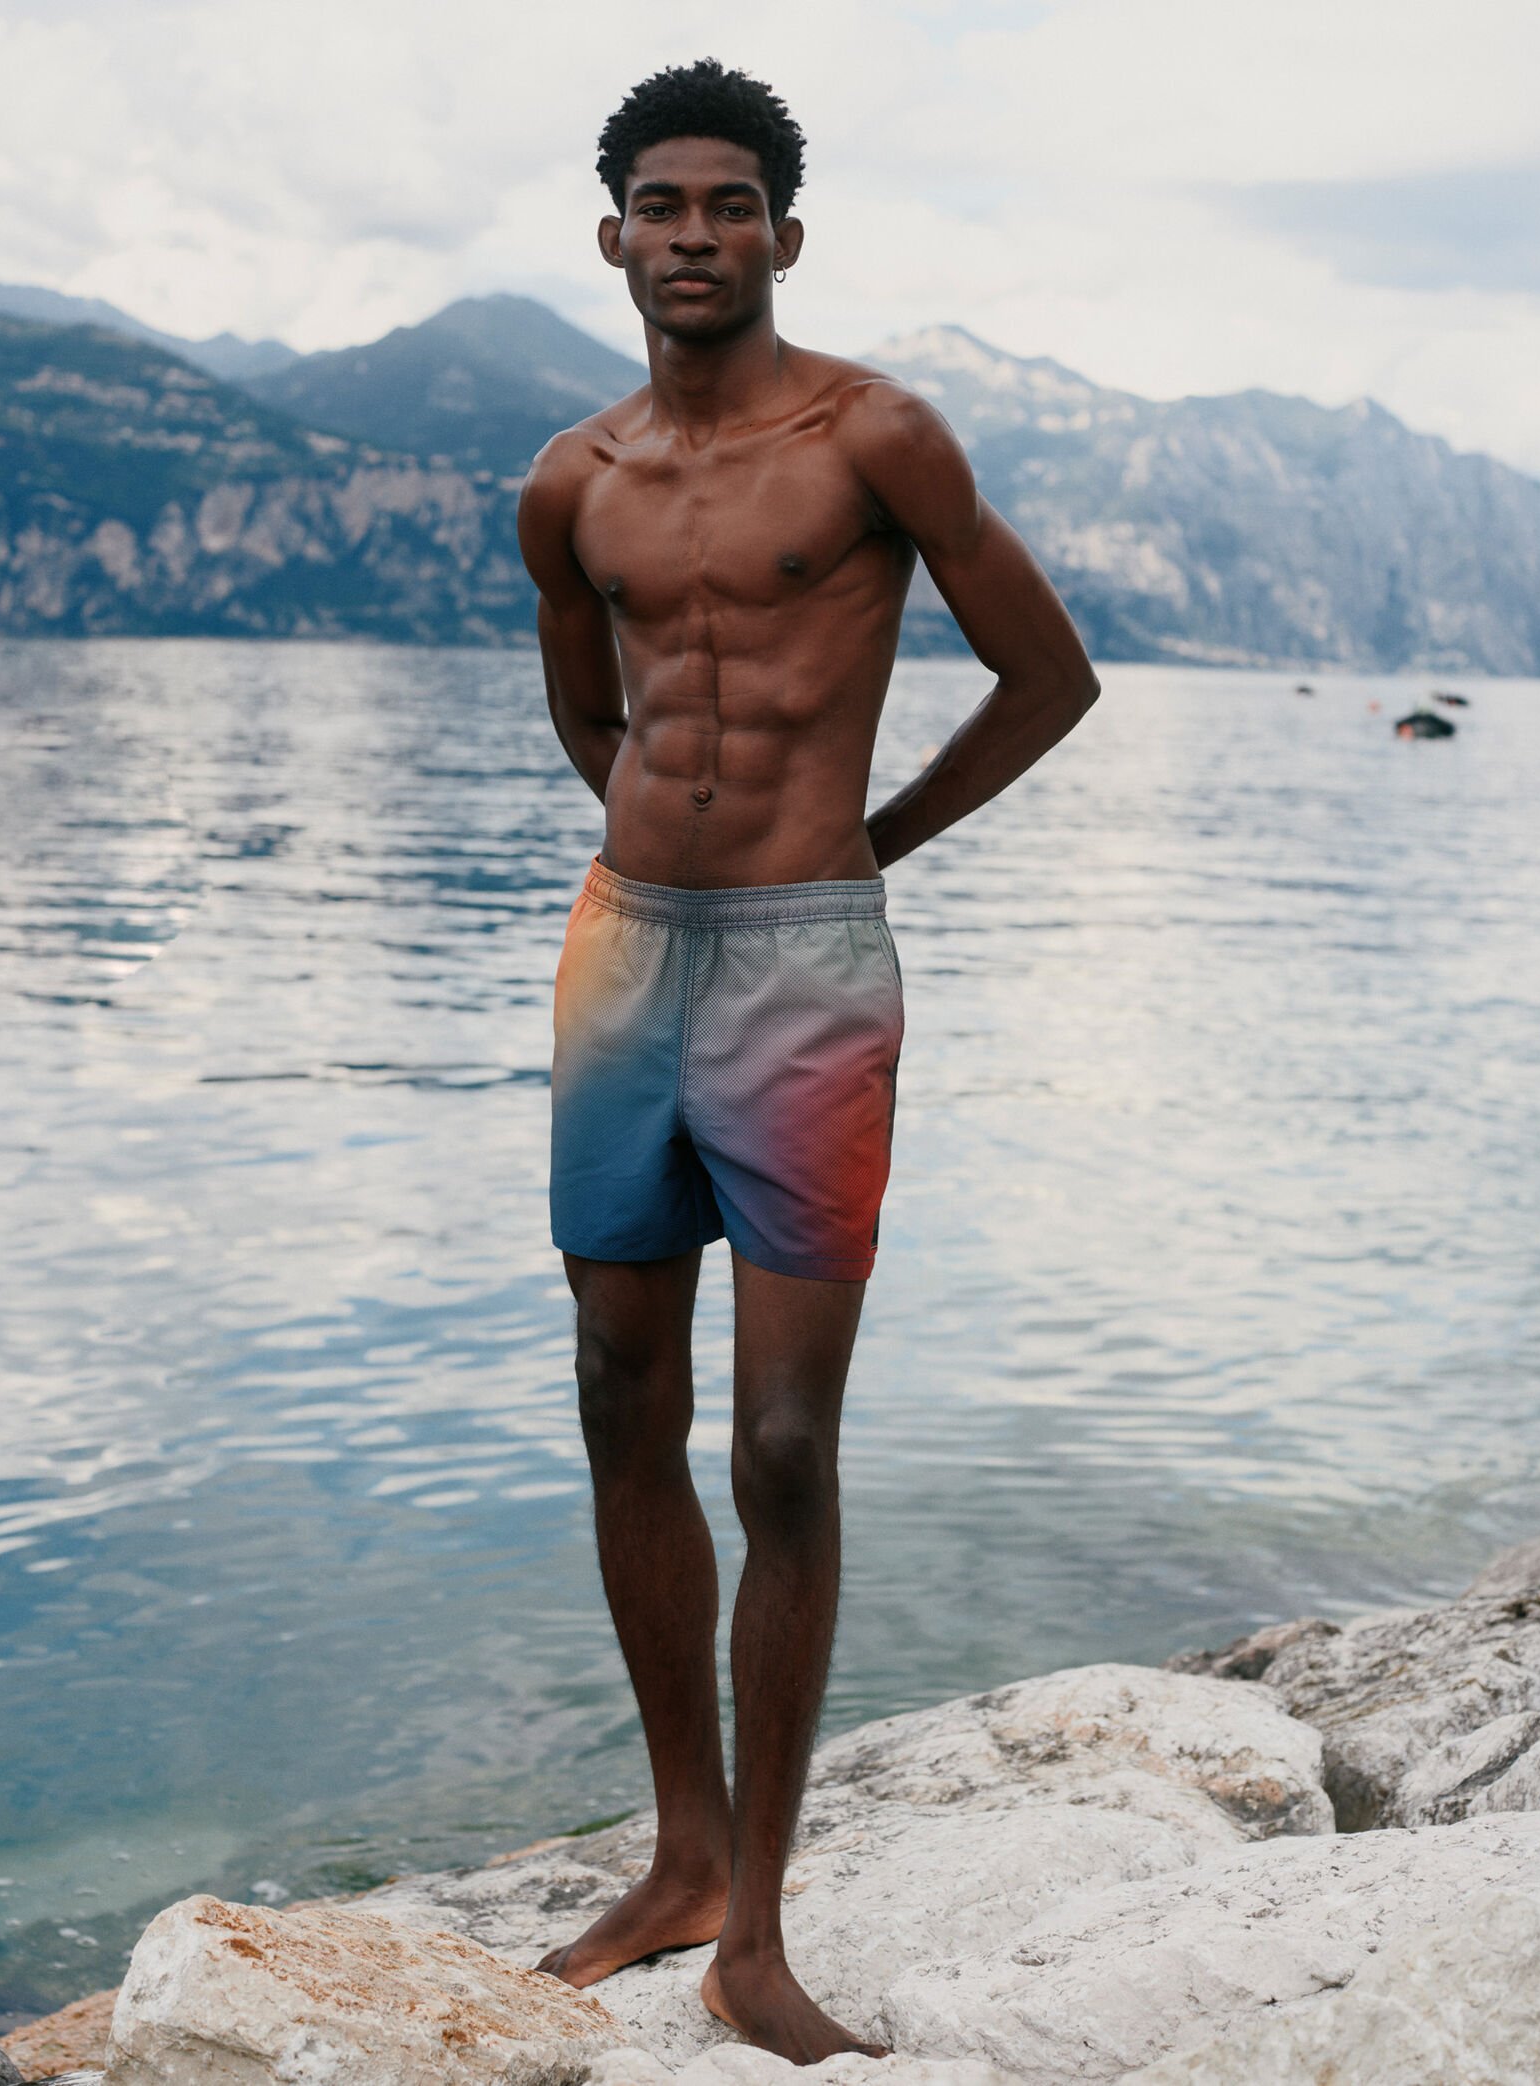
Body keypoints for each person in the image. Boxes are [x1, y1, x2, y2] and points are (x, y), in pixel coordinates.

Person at [518, 57, 1101, 2065]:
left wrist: (869, 848)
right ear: (613, 235)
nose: (695, 234)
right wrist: (657, 853)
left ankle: (758, 1928)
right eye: (661, 204)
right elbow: (590, 718)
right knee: (616, 1388)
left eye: (730, 204)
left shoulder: (876, 437)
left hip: (808, 963)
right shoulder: (570, 478)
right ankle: (677, 1850)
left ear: (784, 230)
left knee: (779, 1443)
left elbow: (1052, 673)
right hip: (624, 955)